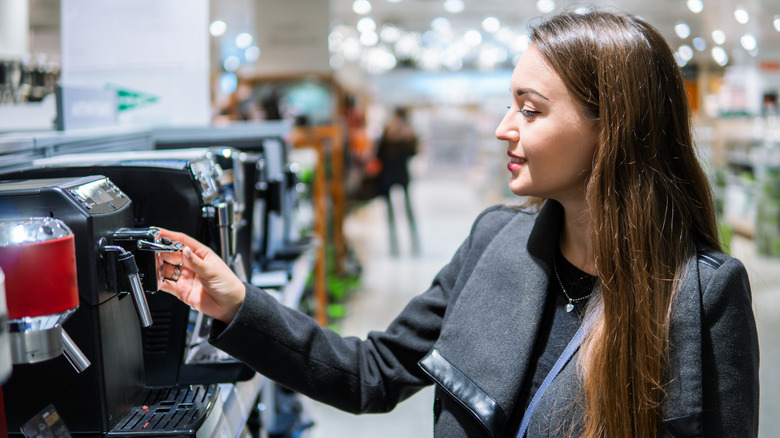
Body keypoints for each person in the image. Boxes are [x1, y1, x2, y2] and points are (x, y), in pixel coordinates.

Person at [157, 9, 759, 438]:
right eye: (508, 105)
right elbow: (371, 373)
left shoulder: (701, 294)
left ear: (612, 128)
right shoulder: (494, 243)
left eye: (530, 109)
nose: (504, 127)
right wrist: (237, 304)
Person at [375, 106, 420, 255]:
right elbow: (413, 153)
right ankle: (415, 242)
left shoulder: (388, 130)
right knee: (408, 210)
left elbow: (379, 153)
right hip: (402, 173)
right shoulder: (408, 131)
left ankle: (393, 245)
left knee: (390, 212)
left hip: (388, 174)